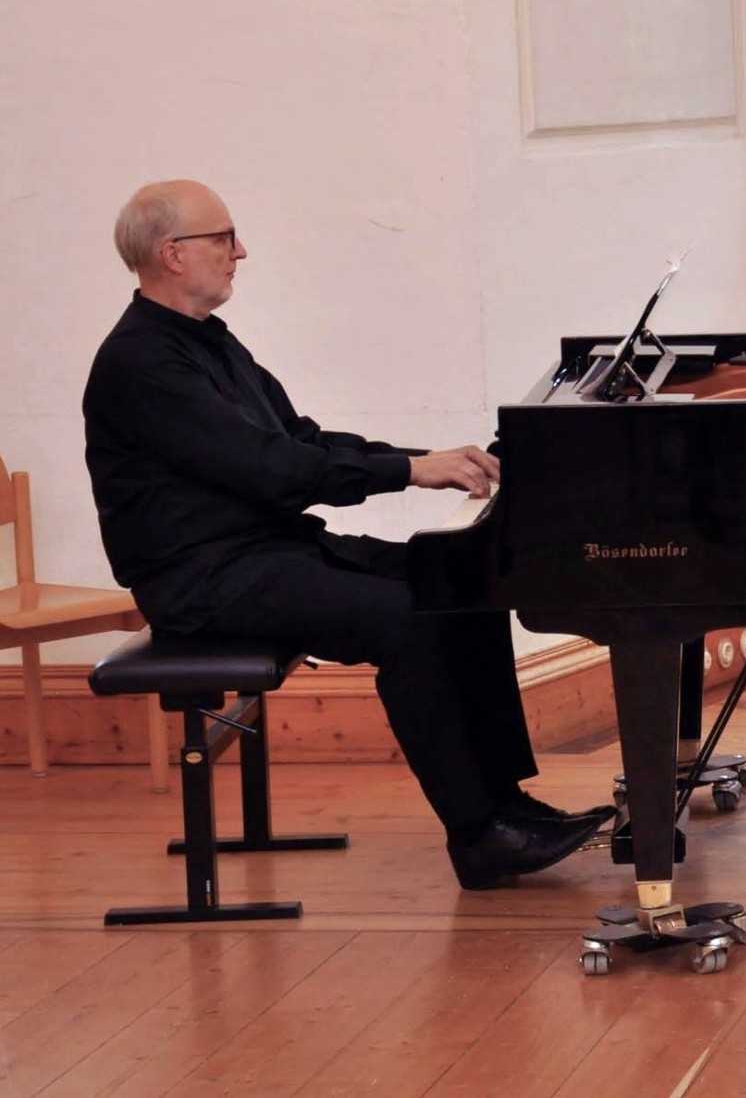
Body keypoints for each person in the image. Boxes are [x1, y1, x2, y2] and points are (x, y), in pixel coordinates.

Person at [84, 179, 611, 890]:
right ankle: (478, 833)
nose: (241, 251)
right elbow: (272, 469)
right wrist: (410, 471)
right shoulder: (141, 363)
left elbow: (299, 439)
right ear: (172, 253)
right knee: (407, 622)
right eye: (225, 238)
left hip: (266, 553)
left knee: (460, 579)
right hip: (204, 582)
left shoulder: (209, 342)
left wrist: (426, 460)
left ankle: (507, 804)